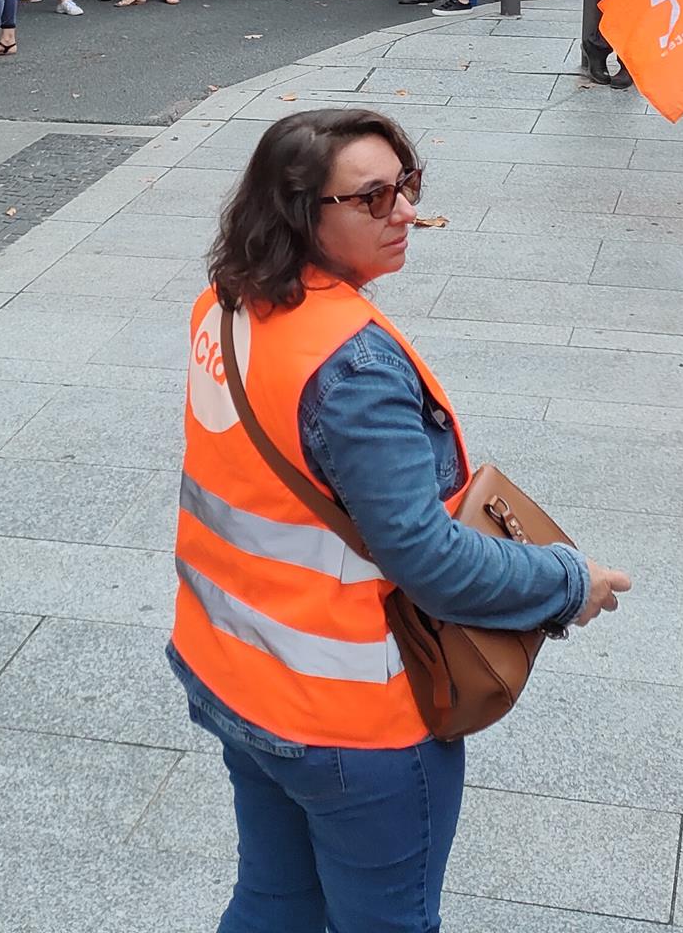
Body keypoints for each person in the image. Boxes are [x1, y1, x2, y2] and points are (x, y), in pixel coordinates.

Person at [173, 109, 630, 931]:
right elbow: (430, 558)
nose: (406, 212)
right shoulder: (352, 366)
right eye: (373, 198)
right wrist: (569, 582)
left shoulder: (227, 302)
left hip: (233, 673)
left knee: (272, 901)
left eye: (407, 185)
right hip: (349, 717)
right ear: (299, 212)